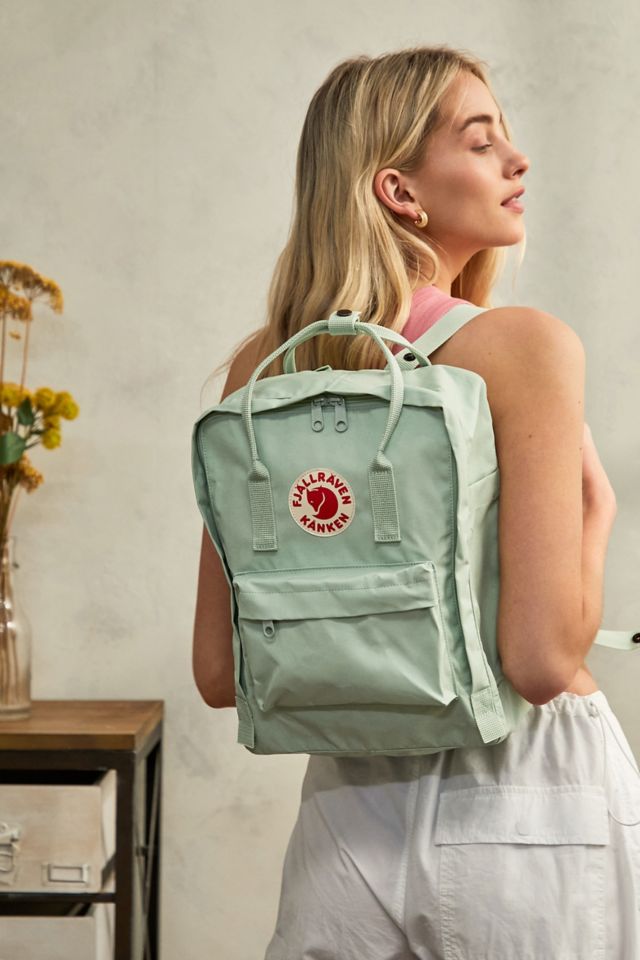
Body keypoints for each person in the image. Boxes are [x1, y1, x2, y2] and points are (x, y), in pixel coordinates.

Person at [192, 45, 640, 958]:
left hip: (344, 808)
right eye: (481, 142)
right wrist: (599, 522)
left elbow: (217, 671)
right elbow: (542, 663)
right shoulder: (523, 348)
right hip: (525, 793)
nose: (517, 160)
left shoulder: (261, 369)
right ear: (399, 191)